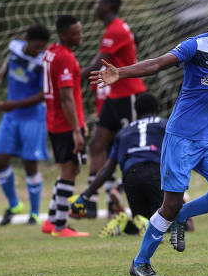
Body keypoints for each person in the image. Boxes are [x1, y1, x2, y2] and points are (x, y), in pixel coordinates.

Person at [90, 0, 208, 276]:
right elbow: (157, 64)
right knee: (170, 204)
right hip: (181, 136)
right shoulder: (196, 45)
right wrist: (121, 72)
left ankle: (183, 215)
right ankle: (140, 262)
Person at [81, 0, 146, 219]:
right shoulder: (113, 29)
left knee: (131, 147)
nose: (95, 7)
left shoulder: (116, 29)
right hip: (114, 95)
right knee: (97, 145)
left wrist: (68, 77)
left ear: (107, 6)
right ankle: (90, 203)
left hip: (128, 93)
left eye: (97, 3)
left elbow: (98, 63)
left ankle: (121, 193)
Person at [70, 92, 165, 237]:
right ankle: (144, 224)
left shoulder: (124, 132)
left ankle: (125, 223)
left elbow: (108, 168)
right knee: (171, 222)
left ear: (136, 111)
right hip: (154, 173)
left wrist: (85, 196)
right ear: (157, 110)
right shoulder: (164, 124)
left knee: (142, 219)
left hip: (130, 177)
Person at [0, 24, 50, 226]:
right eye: (36, 46)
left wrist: (13, 104)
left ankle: (35, 213)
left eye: (42, 47)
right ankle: (14, 205)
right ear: (26, 40)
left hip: (33, 117)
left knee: (30, 164)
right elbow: (5, 68)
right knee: (0, 159)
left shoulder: (43, 62)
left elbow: (43, 94)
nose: (39, 50)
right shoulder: (13, 47)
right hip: (11, 117)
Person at [40, 15, 90, 237]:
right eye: (75, 33)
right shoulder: (66, 59)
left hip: (54, 120)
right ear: (63, 35)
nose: (80, 36)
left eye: (80, 31)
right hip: (65, 124)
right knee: (70, 170)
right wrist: (77, 130)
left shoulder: (51, 52)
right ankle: (60, 226)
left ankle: (51, 221)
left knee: (70, 168)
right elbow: (67, 98)